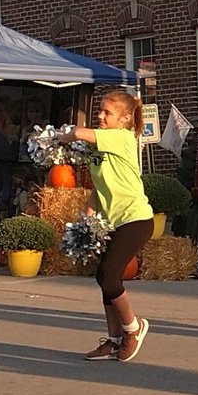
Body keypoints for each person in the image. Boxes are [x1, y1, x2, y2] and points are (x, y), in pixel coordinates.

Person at [60, 91, 155, 363]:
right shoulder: (101, 149)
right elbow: (98, 190)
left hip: (135, 220)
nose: (100, 116)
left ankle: (133, 328)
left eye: (107, 113)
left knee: (109, 276)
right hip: (115, 221)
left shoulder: (123, 138)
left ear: (125, 119)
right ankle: (113, 341)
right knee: (104, 278)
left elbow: (79, 133)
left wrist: (62, 136)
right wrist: (86, 220)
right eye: (99, 112)